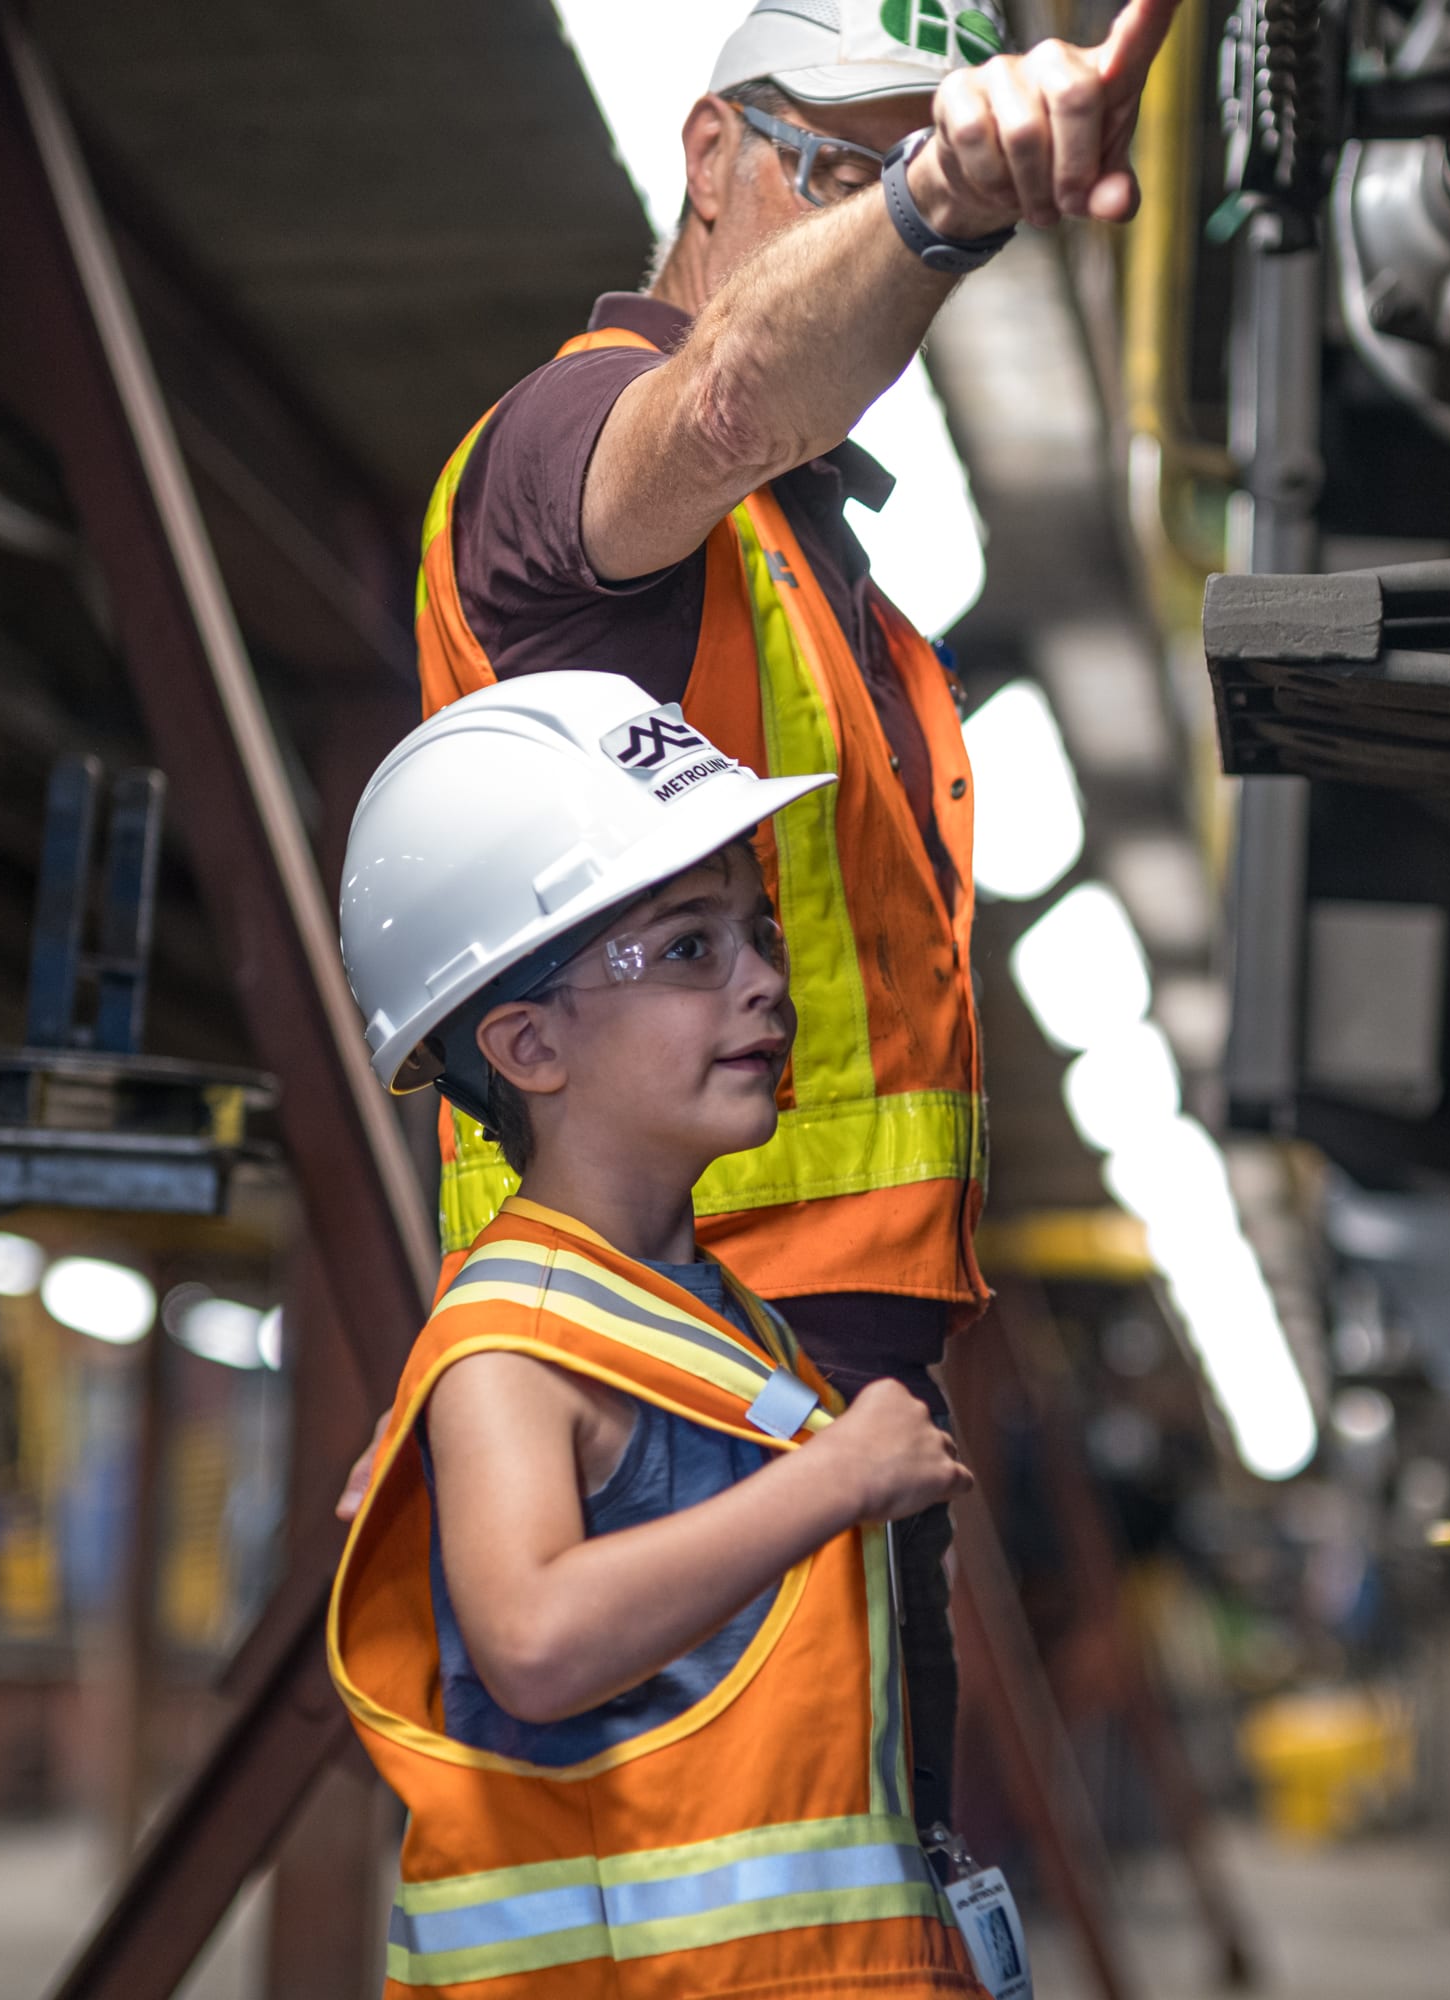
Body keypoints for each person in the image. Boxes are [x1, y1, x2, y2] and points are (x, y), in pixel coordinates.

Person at [392, 0, 1184, 1840]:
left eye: (894, 164)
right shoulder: (575, 453)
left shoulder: (822, 569)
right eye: (832, 164)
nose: (861, 215)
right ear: (705, 152)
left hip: (784, 1372)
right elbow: (731, 392)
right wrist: (941, 202)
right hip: (666, 1376)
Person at [330, 671, 983, 1995]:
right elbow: (537, 1640)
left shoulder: (727, 1332)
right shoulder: (513, 1348)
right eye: (689, 948)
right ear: (525, 1042)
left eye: (759, 933)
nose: (762, 984)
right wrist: (842, 1481)